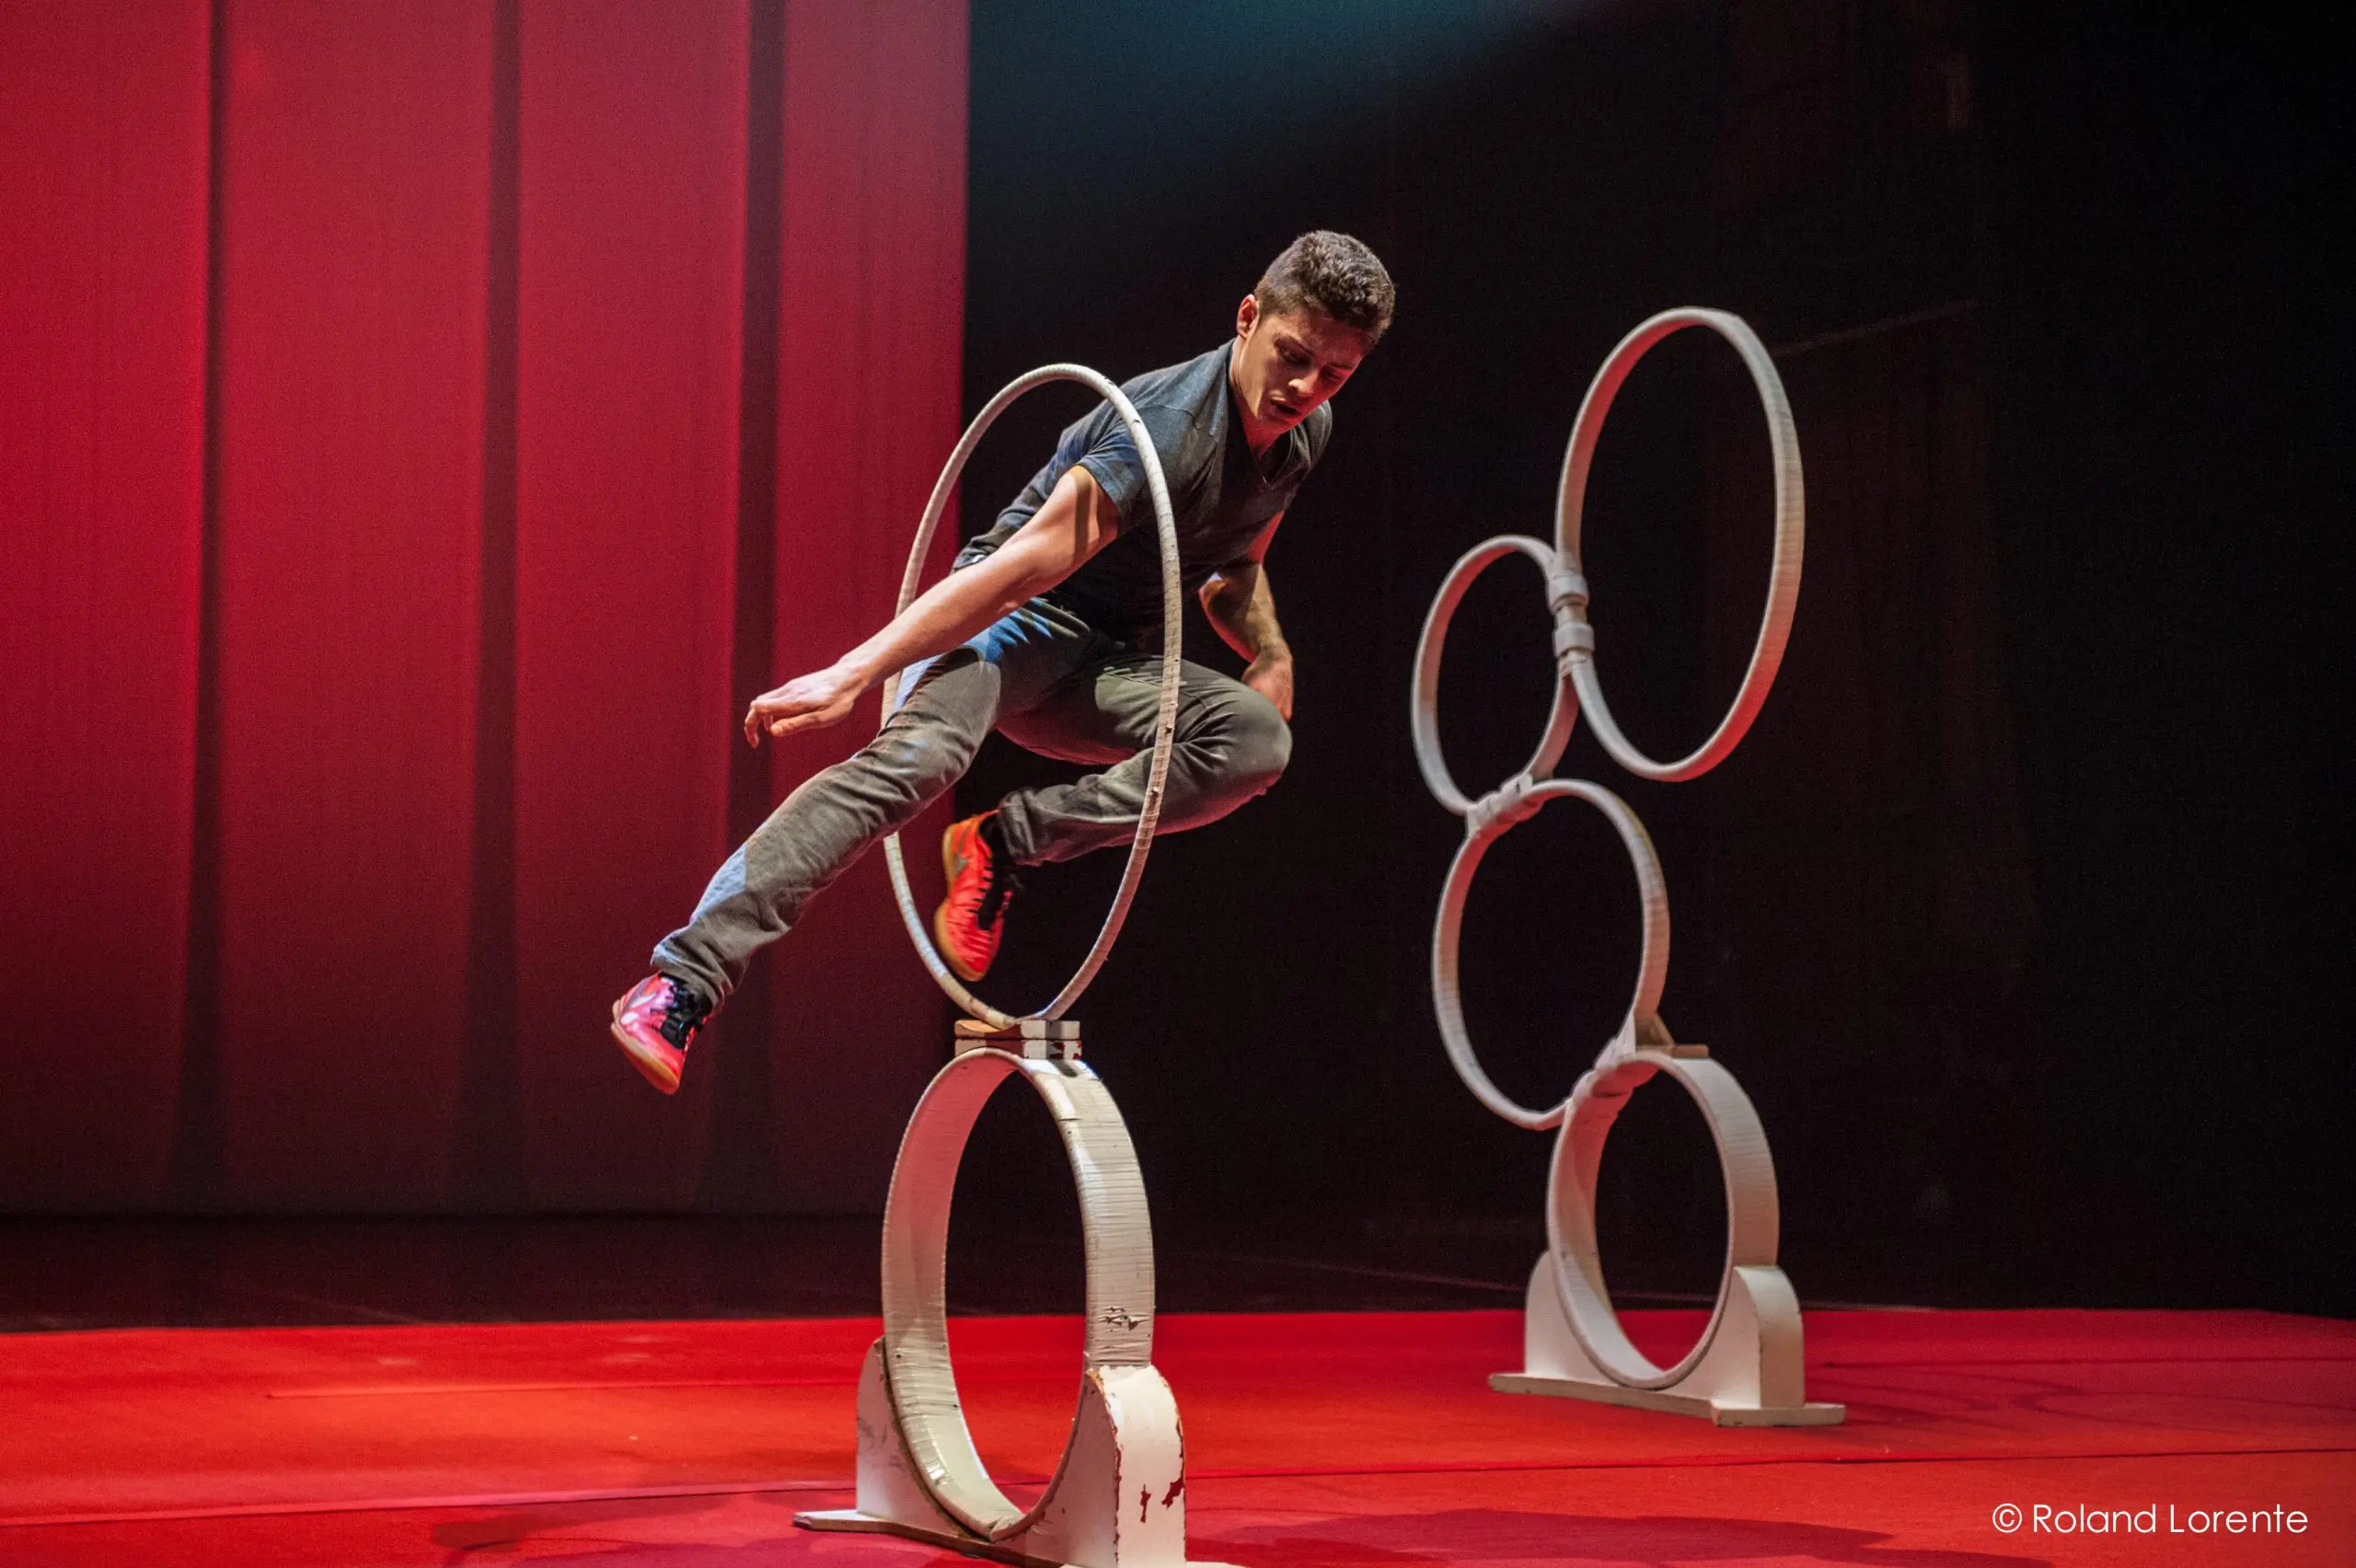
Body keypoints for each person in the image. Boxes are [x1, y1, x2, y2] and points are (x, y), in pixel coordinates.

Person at [609, 230, 1395, 1093]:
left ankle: (1006, 843)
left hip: (1105, 664)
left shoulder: (1306, 434)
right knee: (916, 763)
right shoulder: (1167, 431)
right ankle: (681, 981)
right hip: (1011, 623)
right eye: (1293, 356)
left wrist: (1271, 653)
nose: (1305, 388)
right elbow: (1019, 571)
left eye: (1334, 374)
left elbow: (1232, 569)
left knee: (1255, 741)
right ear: (1248, 318)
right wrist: (854, 672)